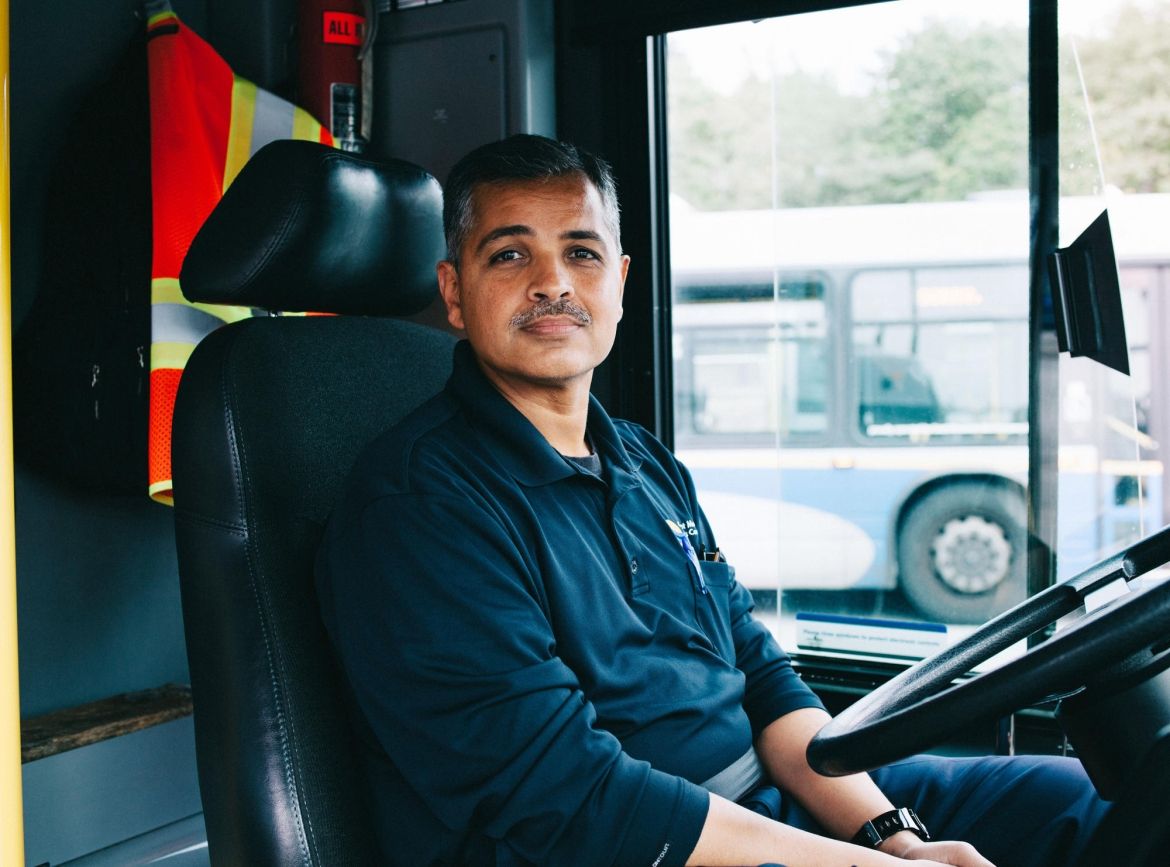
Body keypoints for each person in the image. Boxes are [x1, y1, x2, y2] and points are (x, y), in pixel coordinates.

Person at [315, 134, 1108, 867]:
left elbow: (759, 672)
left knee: (1086, 798)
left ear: (619, 282)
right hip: (625, 844)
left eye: (581, 252)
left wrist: (890, 834)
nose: (552, 282)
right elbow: (571, 798)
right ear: (455, 293)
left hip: (766, 802)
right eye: (510, 253)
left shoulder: (643, 459)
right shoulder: (419, 507)